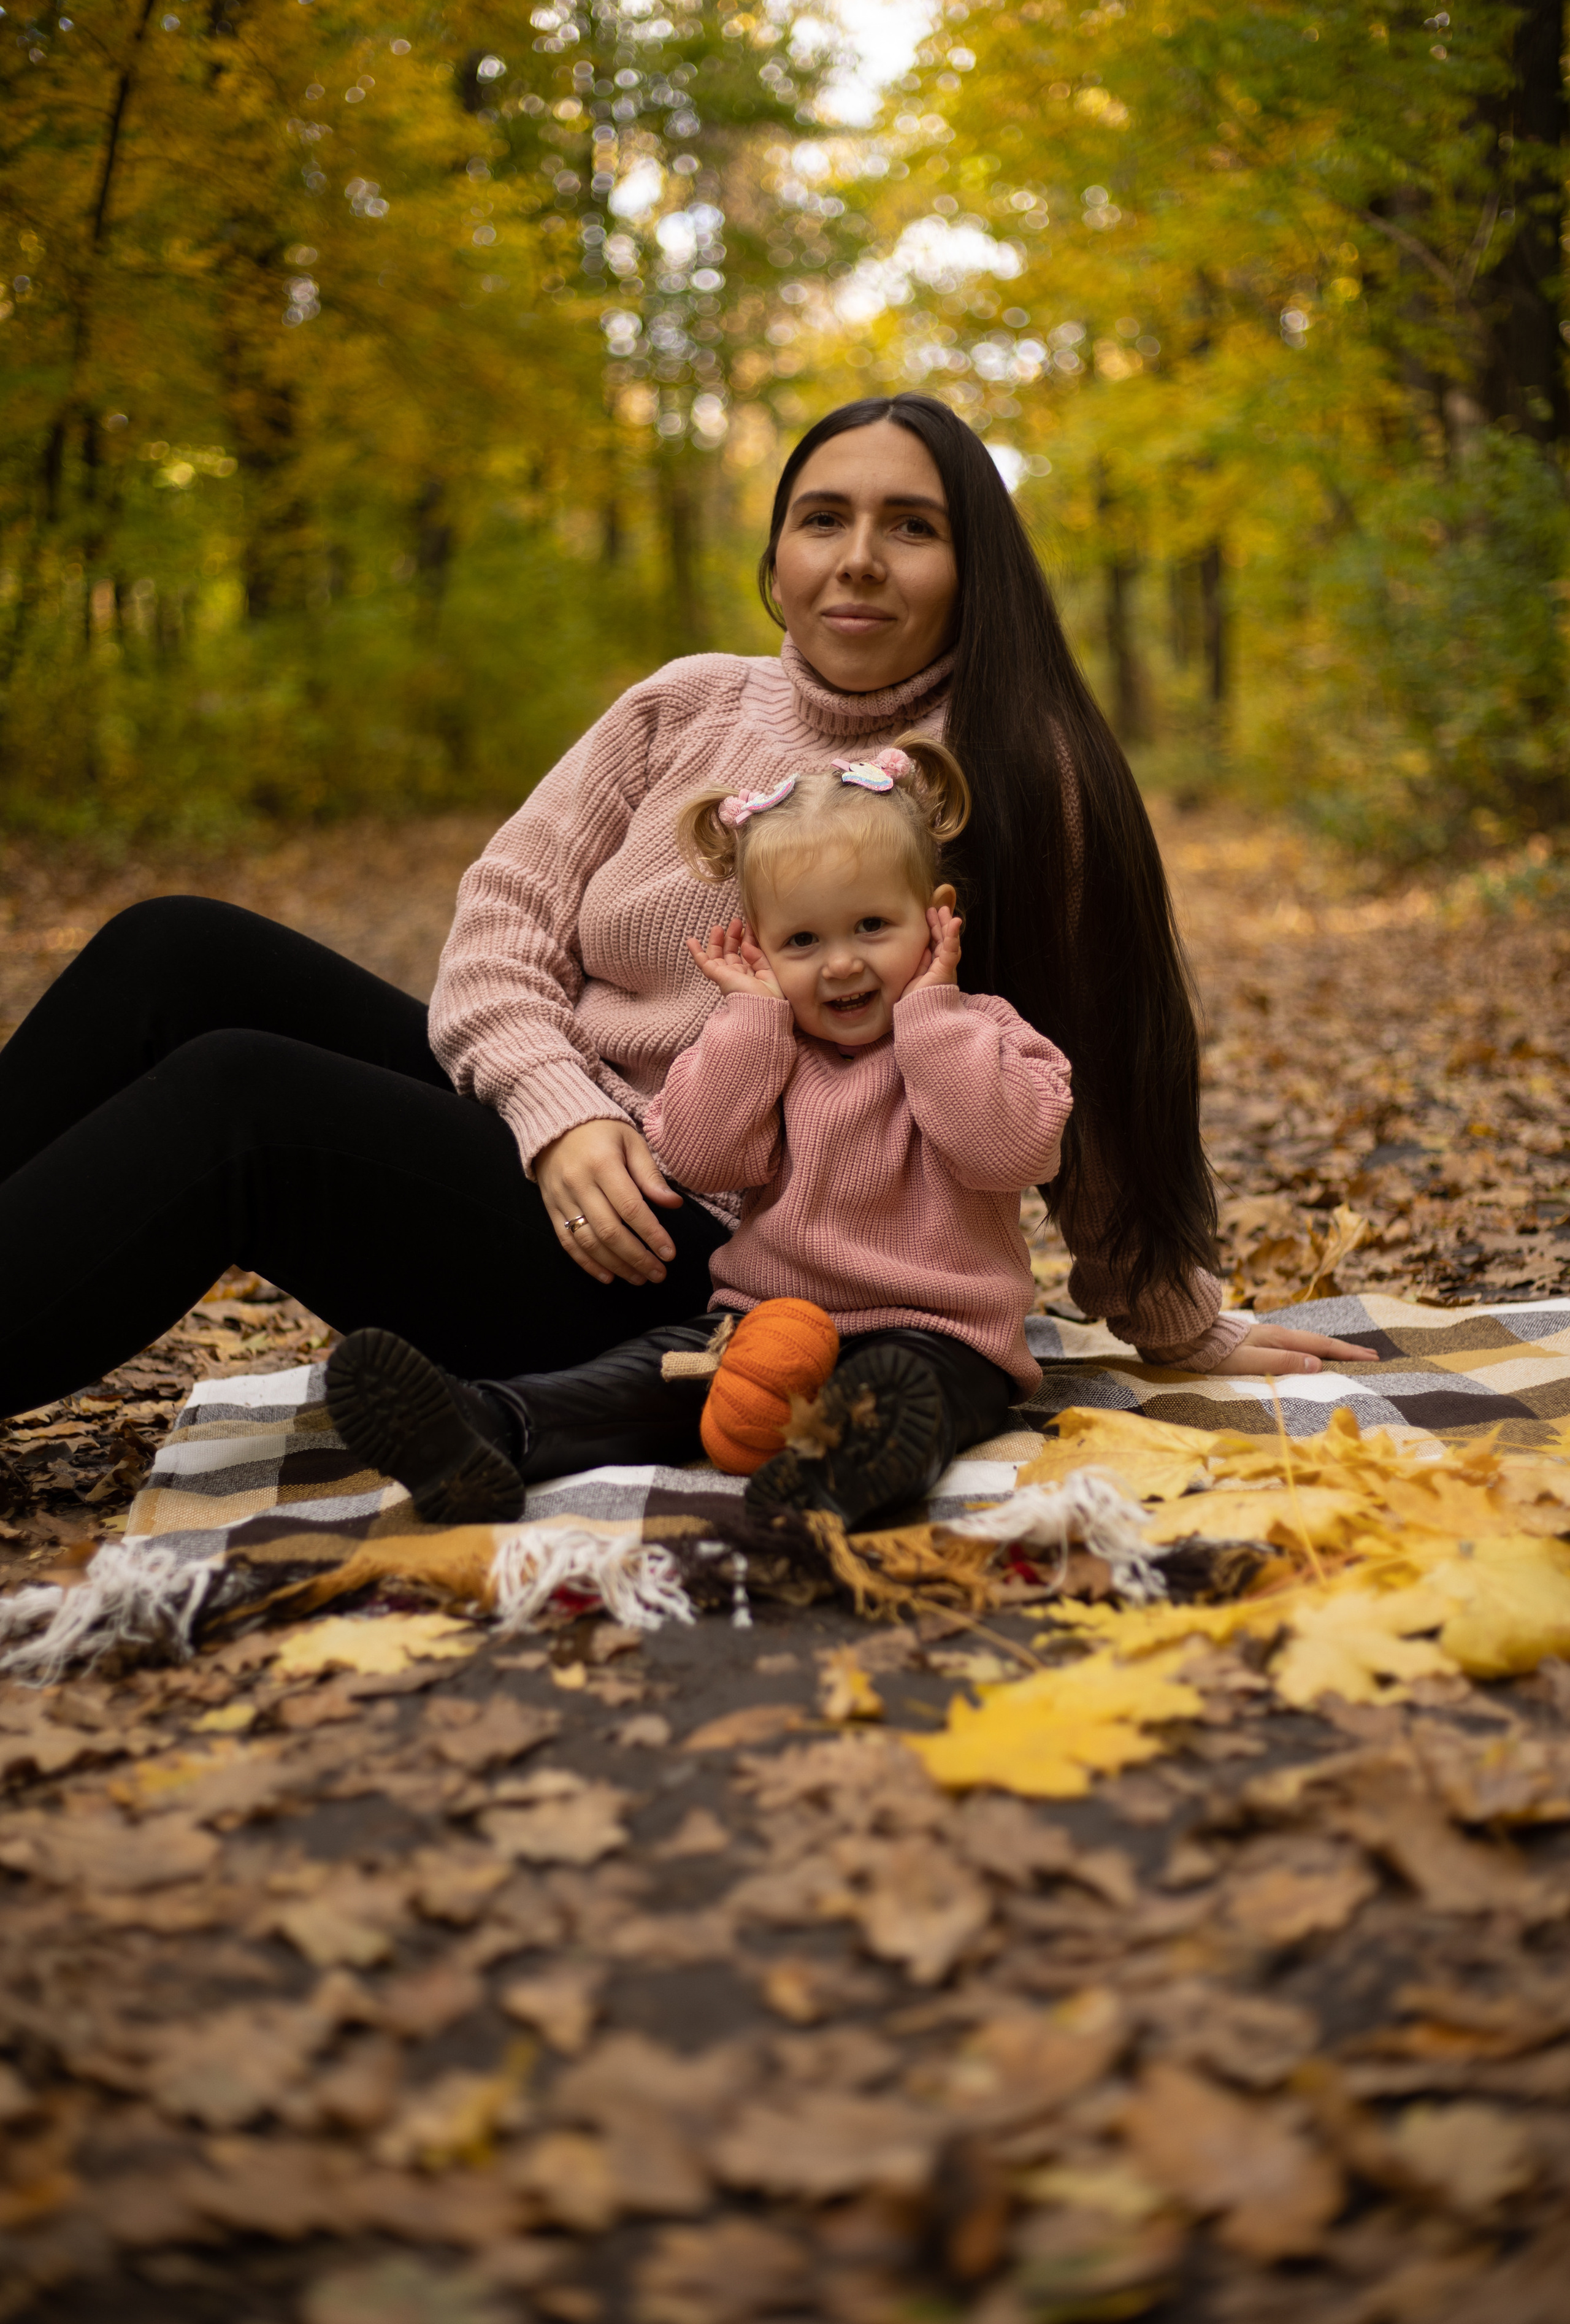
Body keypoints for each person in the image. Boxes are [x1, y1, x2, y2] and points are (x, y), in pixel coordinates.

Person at [0, 393, 1376, 1416]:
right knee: (172, 949)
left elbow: (1100, 1061)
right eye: (822, 519)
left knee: (241, 1096)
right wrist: (558, 1113)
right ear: (774, 553)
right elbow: (498, 931)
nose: (857, 559)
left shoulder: (1014, 768)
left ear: (975, 569)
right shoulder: (685, 701)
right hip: (566, 1158)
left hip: (706, 1255)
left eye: (912, 528)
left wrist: (1170, 1313)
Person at [324, 738, 1074, 1532]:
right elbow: (697, 1155)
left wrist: (931, 1018)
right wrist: (752, 1025)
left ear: (936, 920)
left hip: (940, 1330)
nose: (842, 964)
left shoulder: (984, 1034)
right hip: (760, 1317)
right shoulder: (763, 1049)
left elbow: (1012, 1152)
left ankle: (835, 1475)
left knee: (906, 1388)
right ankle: (489, 1430)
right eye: (803, 942)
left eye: (872, 927)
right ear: (759, 945)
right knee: (648, 1378)